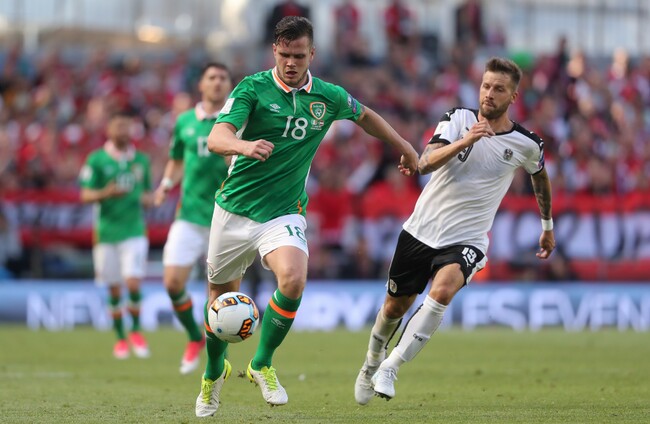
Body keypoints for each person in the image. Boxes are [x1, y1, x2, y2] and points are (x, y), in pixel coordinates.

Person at [194, 16, 419, 417]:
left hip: (283, 212)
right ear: (274, 52)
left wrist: (403, 145)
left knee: (294, 279)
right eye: (284, 55)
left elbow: (365, 116)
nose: (291, 63)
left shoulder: (328, 96)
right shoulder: (252, 88)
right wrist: (243, 146)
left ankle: (262, 363)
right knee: (219, 303)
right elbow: (216, 137)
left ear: (312, 54)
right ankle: (213, 373)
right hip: (233, 211)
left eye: (299, 55)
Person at [354, 57, 556, 404]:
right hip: (421, 230)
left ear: (513, 97)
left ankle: (391, 366)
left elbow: (540, 177)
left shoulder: (527, 143)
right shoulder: (458, 118)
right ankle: (371, 362)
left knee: (443, 291)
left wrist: (547, 225)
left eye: (499, 89)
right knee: (393, 309)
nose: (489, 93)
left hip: (468, 240)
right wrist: (466, 141)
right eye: (486, 85)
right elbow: (424, 163)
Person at [153, 63, 233, 374]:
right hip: (188, 214)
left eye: (223, 78)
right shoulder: (185, 121)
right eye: (211, 77)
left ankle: (217, 360)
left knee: (217, 294)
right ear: (201, 84)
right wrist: (165, 184)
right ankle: (193, 337)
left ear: (229, 85)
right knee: (173, 283)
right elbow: (176, 160)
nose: (217, 83)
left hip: (224, 218)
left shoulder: (236, 120)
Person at [79, 111, 153, 360]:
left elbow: (147, 193)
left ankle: (136, 331)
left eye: (126, 126)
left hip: (134, 230)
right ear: (109, 129)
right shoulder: (97, 159)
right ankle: (121, 338)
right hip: (106, 232)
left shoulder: (141, 160)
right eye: (118, 125)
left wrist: (151, 199)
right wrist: (105, 193)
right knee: (113, 289)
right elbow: (85, 195)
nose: (122, 130)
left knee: (133, 283)